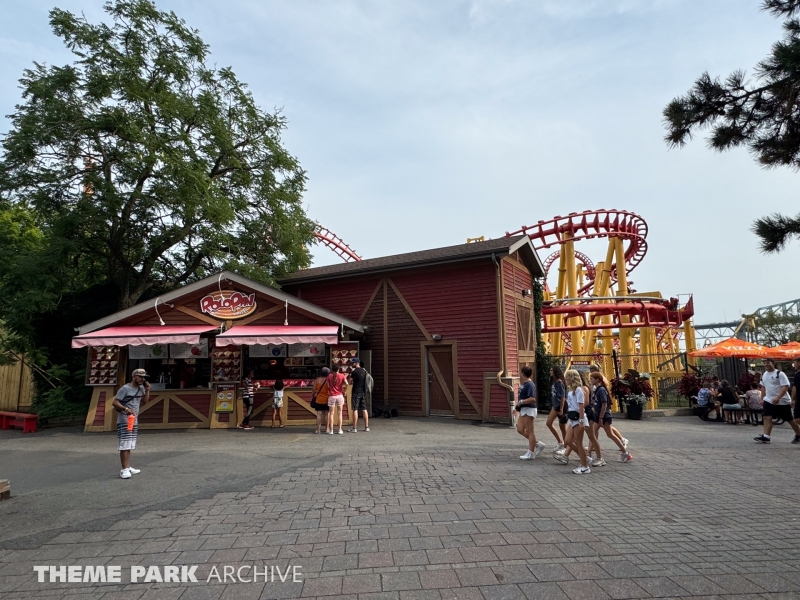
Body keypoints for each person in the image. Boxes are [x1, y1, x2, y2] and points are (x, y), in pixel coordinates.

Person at [112, 368, 150, 479]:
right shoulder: (125, 388)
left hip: (134, 419)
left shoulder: (141, 388)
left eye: (143, 377)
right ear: (133, 377)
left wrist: (147, 390)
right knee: (124, 444)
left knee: (130, 444)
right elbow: (115, 402)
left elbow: (144, 402)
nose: (142, 379)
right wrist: (125, 409)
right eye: (140, 377)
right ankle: (124, 469)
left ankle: (127, 466)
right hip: (124, 419)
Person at [589, 371, 632, 463]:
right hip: (598, 415)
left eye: (592, 379)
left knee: (610, 434)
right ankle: (589, 453)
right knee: (593, 434)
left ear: (597, 380)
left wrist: (601, 417)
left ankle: (625, 453)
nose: (590, 381)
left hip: (604, 416)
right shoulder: (597, 390)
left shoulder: (601, 390)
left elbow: (604, 404)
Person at [755, 358, 800, 444]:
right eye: (764, 363)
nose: (766, 365)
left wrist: (778, 397)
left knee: (789, 419)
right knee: (766, 417)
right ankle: (766, 436)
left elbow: (785, 386)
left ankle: (798, 434)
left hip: (782, 401)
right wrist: (762, 398)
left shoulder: (780, 374)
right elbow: (763, 387)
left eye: (768, 363)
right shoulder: (764, 374)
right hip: (769, 400)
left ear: (773, 363)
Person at [554, 369, 591, 474]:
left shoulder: (579, 390)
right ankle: (584, 458)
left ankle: (585, 466)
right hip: (572, 419)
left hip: (578, 419)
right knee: (568, 441)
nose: (565, 379)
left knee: (579, 443)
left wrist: (581, 421)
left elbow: (581, 406)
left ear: (572, 378)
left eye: (567, 377)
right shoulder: (571, 391)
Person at [516, 366, 546, 460]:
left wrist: (522, 402)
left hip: (529, 409)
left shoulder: (530, 384)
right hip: (523, 409)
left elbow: (532, 398)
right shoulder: (524, 383)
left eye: (521, 372)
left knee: (530, 431)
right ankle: (537, 444)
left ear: (523, 374)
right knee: (520, 429)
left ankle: (530, 452)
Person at [547, 366, 567, 453]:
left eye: (551, 370)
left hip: (559, 406)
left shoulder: (559, 382)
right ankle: (560, 441)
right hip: (554, 406)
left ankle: (565, 445)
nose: (550, 372)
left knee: (562, 427)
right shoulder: (554, 382)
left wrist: (561, 409)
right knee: (549, 423)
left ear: (555, 372)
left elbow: (562, 397)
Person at [348, 358, 370, 432]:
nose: (352, 364)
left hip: (356, 392)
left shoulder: (354, 372)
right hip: (363, 392)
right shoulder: (364, 371)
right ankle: (366, 427)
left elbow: (349, 382)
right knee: (364, 409)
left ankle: (354, 428)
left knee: (355, 409)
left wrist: (351, 380)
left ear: (357, 363)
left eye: (353, 363)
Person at [326, 365, 348, 435]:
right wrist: (345, 390)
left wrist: (330, 388)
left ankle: (331, 430)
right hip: (339, 395)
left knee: (331, 414)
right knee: (340, 413)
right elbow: (347, 384)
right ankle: (340, 430)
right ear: (338, 369)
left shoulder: (329, 376)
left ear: (332, 370)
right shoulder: (342, 376)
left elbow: (327, 385)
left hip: (332, 396)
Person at [311, 367, 330, 434]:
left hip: (318, 399)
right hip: (327, 399)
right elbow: (330, 388)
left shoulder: (317, 379)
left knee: (319, 414)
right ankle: (327, 429)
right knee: (327, 414)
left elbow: (313, 389)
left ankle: (318, 430)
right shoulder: (328, 380)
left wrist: (312, 396)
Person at [793, 358, 800, 423]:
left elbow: (795, 388)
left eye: (794, 363)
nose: (794, 365)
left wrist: (792, 399)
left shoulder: (798, 374)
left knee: (797, 419)